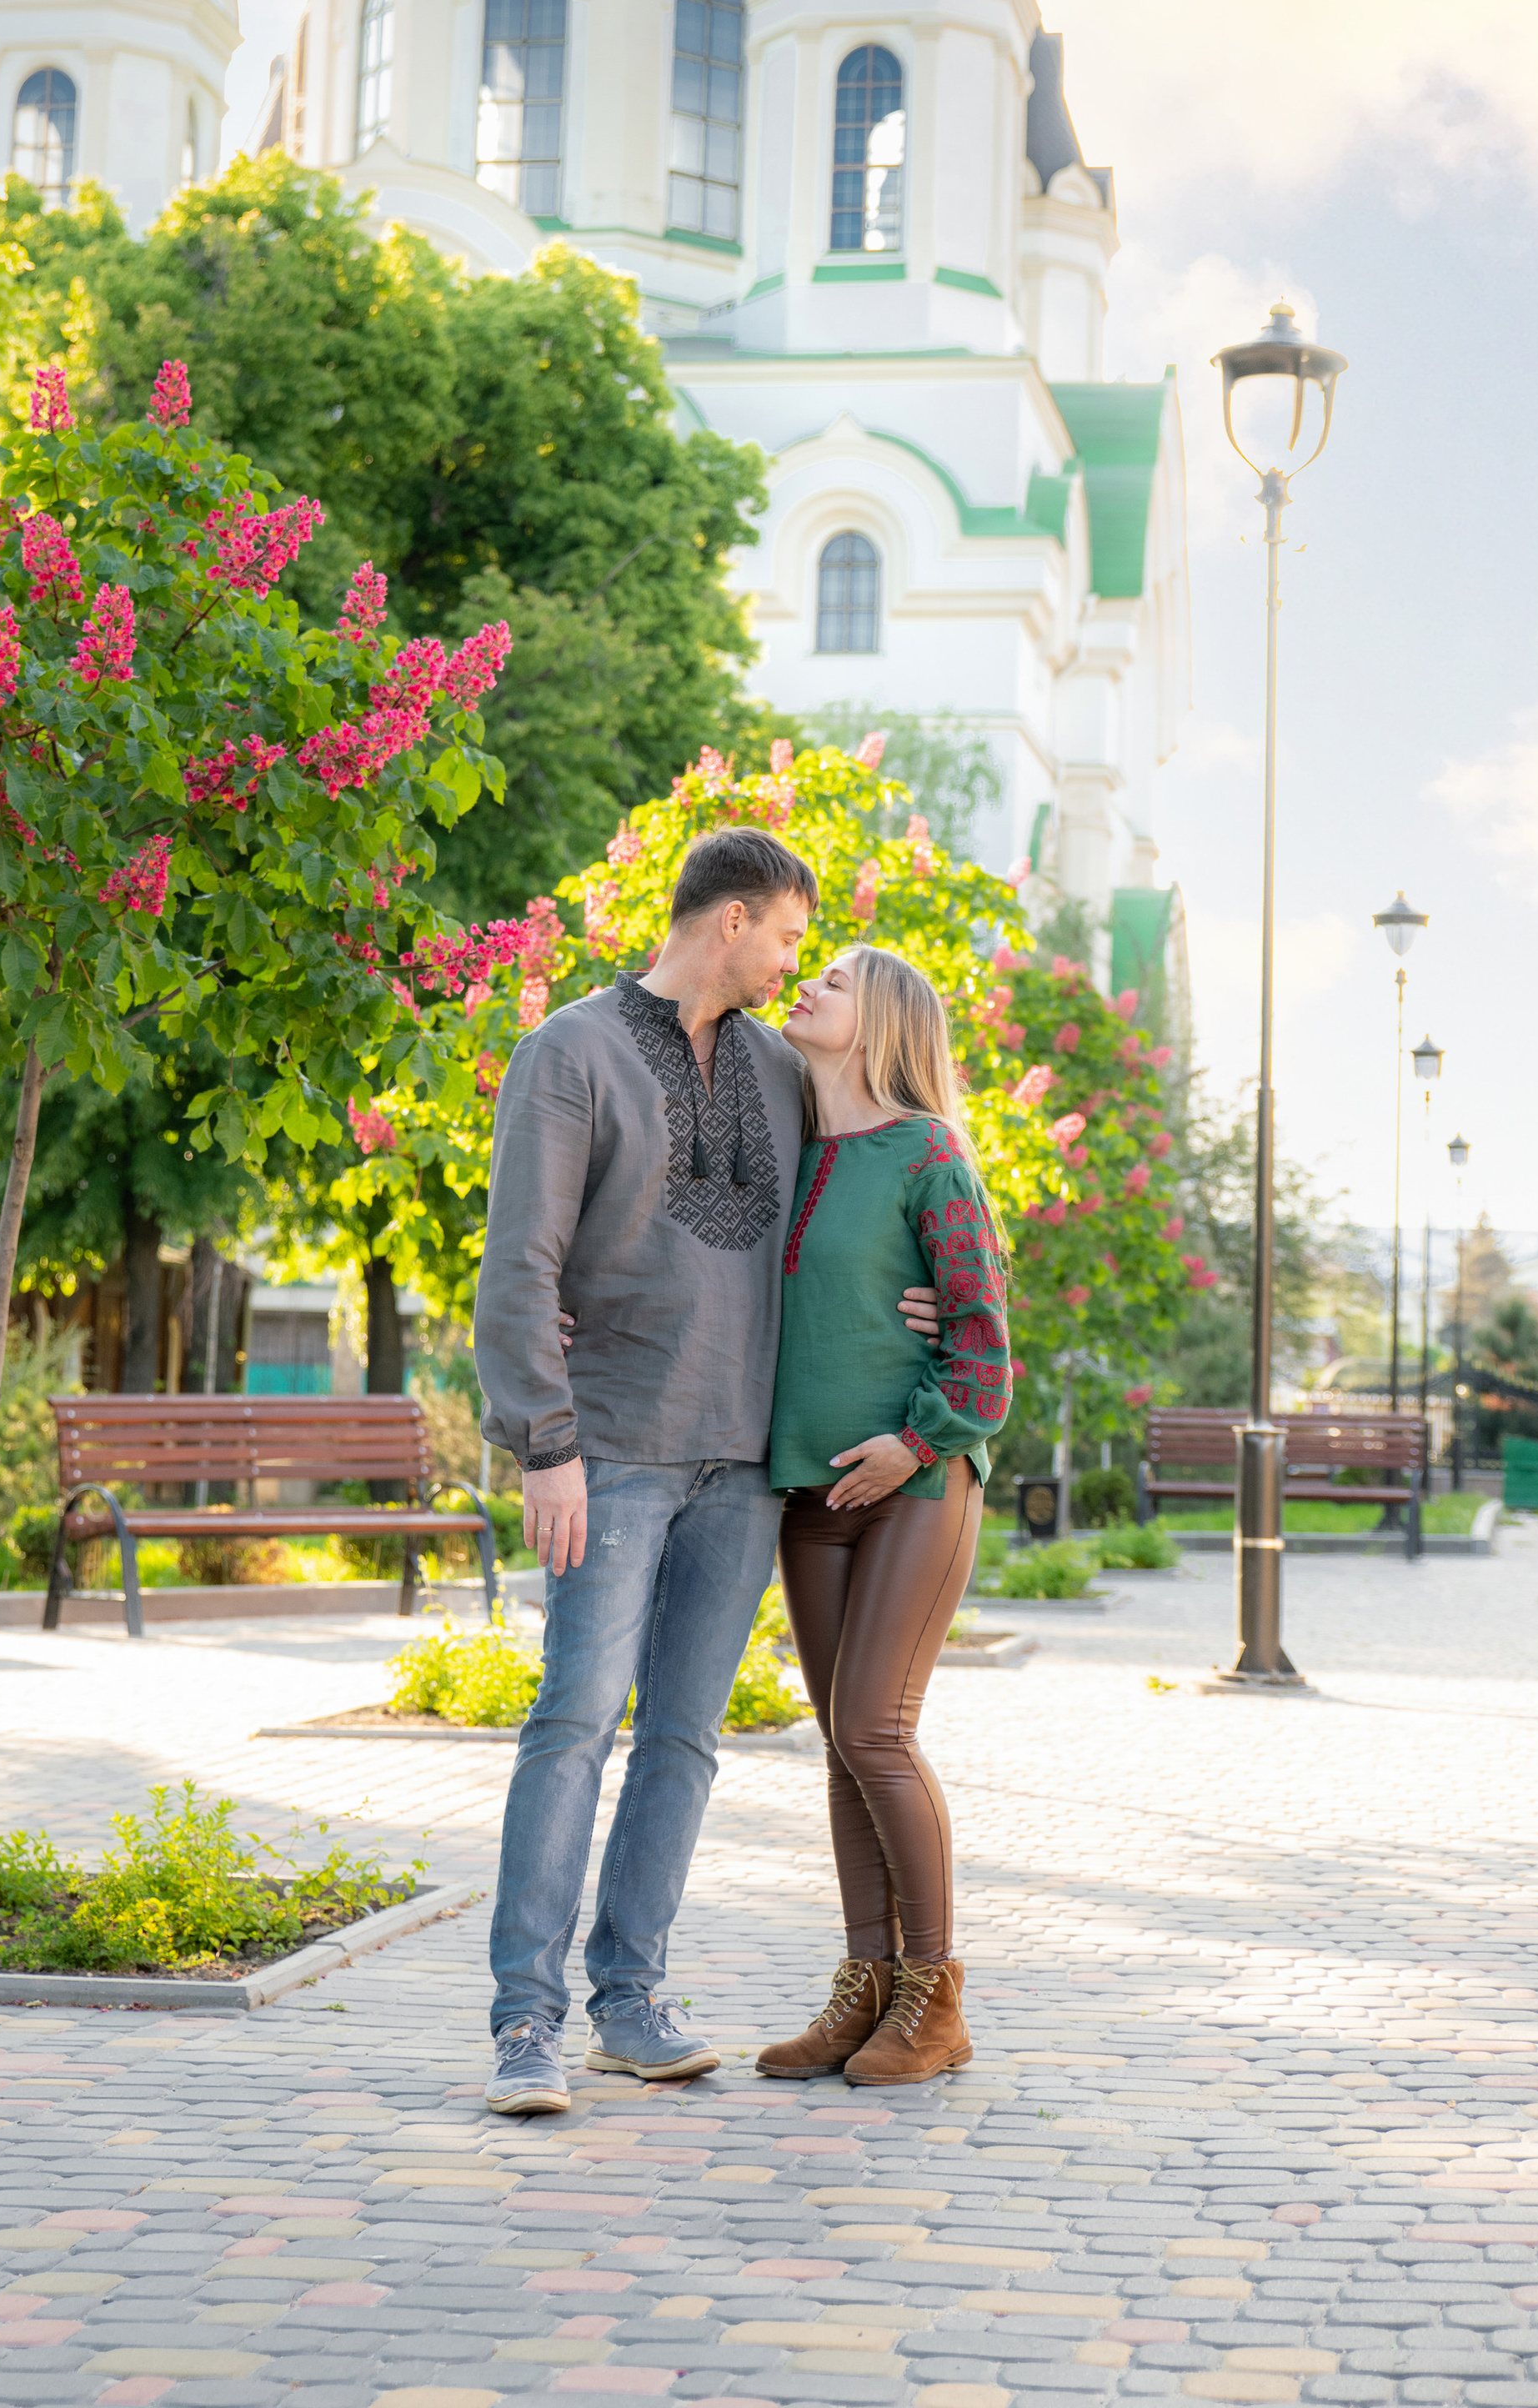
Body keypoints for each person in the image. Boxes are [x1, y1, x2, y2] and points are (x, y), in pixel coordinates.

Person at [470, 828, 939, 2115]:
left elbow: (869, 1191)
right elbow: (519, 1264)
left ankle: (633, 2001)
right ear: (730, 921)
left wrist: (925, 1308)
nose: (798, 964)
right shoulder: (568, 1053)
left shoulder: (785, 1072)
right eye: (790, 935)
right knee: (573, 1725)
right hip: (610, 1454)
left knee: (683, 1739)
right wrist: (546, 1446)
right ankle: (526, 2022)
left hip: (743, 1467)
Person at [756, 942, 1010, 2088]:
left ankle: (935, 1999)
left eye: (836, 982)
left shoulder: (931, 1155)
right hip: (809, 1497)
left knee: (875, 1731)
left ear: (886, 1022)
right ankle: (863, 1993)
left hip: (914, 1488)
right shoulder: (786, 1152)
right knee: (840, 1747)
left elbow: (985, 1353)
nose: (804, 986)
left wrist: (912, 1443)